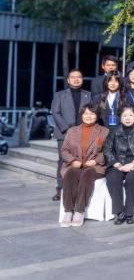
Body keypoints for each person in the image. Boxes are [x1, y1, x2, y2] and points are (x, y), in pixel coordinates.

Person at [58, 103, 109, 227]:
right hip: (75, 164)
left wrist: (96, 161)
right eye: (86, 113)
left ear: (97, 116)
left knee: (87, 175)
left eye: (92, 114)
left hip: (94, 166)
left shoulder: (104, 131)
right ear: (81, 115)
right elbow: (64, 150)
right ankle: (68, 211)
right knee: (70, 174)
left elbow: (108, 151)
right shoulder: (72, 131)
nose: (88, 116)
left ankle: (79, 211)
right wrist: (72, 161)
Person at [104, 105, 134, 225]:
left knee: (131, 179)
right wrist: (117, 165)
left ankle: (130, 212)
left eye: (131, 115)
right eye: (124, 115)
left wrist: (133, 164)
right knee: (113, 179)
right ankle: (119, 212)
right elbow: (107, 150)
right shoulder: (114, 131)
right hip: (118, 163)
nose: (127, 118)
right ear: (120, 118)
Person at [51, 69, 92, 201]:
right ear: (68, 80)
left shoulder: (88, 95)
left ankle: (78, 188)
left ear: (82, 79)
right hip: (64, 134)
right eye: (73, 77)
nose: (76, 79)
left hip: (84, 133)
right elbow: (56, 113)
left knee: (81, 161)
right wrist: (67, 129)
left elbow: (92, 113)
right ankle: (60, 189)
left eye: (79, 77)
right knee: (64, 161)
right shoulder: (59, 95)